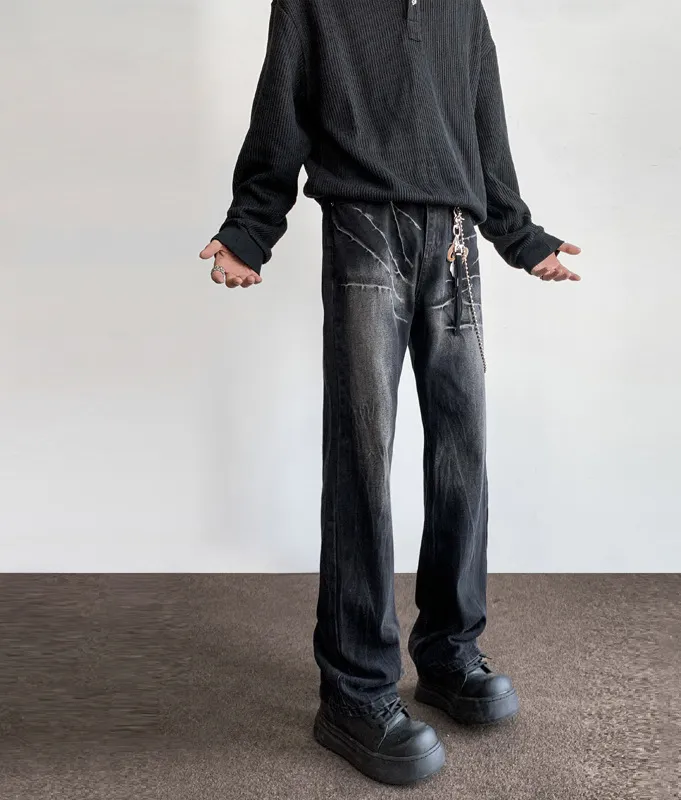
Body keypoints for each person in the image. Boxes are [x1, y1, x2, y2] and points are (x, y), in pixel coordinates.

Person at [199, 0, 581, 785]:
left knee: (462, 454)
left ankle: (448, 651)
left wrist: (519, 234)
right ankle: (353, 691)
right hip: (363, 228)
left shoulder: (460, 7)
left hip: (456, 240)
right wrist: (249, 228)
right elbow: (281, 108)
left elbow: (484, 125)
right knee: (362, 458)